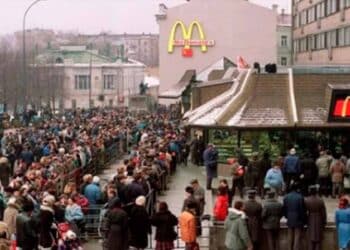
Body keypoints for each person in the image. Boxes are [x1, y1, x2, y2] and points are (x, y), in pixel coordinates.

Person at [283, 182, 307, 250]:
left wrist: (287, 216)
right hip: (298, 219)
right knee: (297, 237)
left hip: (290, 218)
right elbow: (302, 210)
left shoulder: (286, 197)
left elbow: (284, 209)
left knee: (290, 236)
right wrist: (304, 219)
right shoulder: (300, 197)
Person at [304, 186, 327, 250]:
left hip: (310, 219)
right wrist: (324, 222)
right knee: (318, 240)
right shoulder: (320, 200)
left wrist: (305, 220)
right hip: (319, 219)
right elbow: (324, 213)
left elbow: (304, 212)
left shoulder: (306, 200)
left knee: (310, 239)